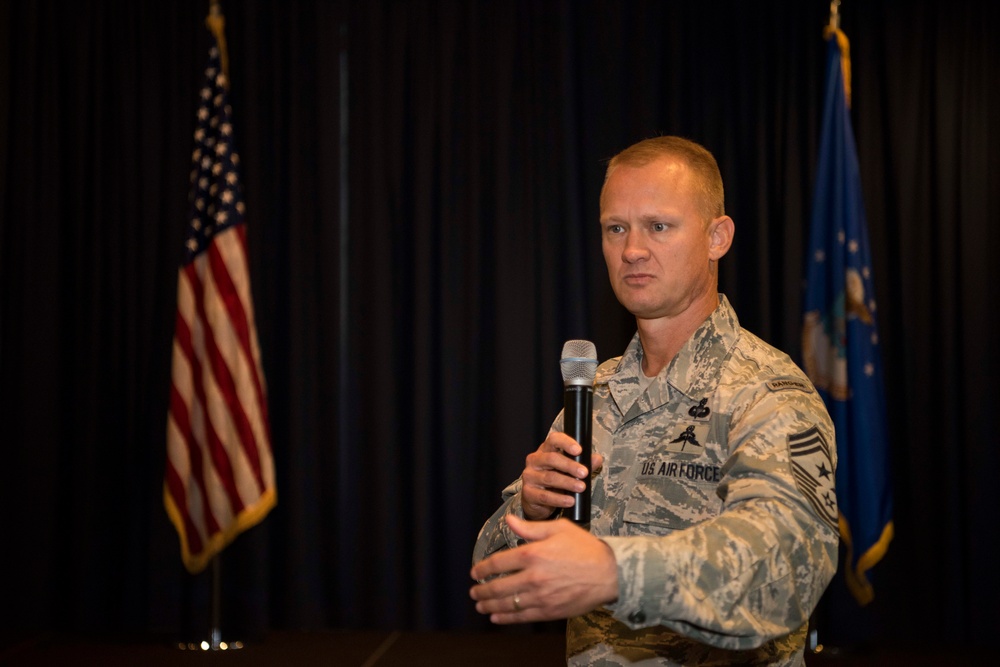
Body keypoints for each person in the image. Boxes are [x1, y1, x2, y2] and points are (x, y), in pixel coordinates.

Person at [469, 136, 838, 666]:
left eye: (658, 226)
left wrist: (614, 572)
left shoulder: (769, 392)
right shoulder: (595, 393)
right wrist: (528, 509)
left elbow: (789, 571)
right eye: (615, 228)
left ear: (718, 237)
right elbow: (493, 579)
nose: (632, 249)